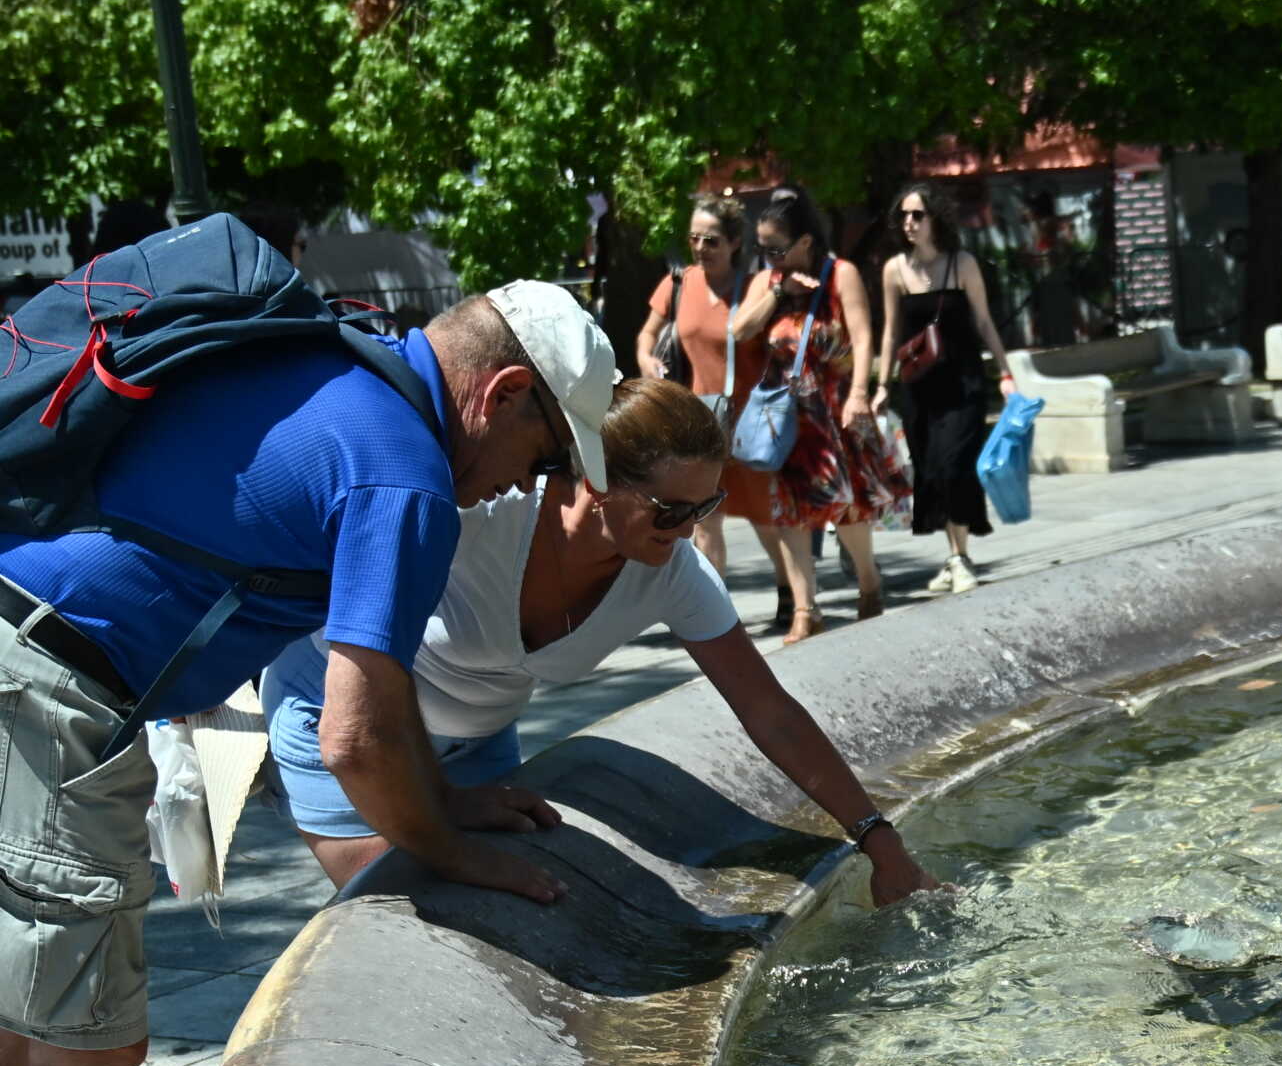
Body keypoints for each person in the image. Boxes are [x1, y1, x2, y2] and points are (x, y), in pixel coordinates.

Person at [0, 271, 609, 1066]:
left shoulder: (339, 368)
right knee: (87, 1045)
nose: (534, 486)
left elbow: (380, 718)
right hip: (53, 690)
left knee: (16, 1027)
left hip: (17, 630)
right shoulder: (406, 472)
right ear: (499, 394)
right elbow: (353, 735)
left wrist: (450, 795)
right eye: (545, 447)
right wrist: (450, 848)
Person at [260, 379, 937, 903]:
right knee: (399, 908)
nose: (687, 530)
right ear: (595, 480)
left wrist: (877, 838)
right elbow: (369, 685)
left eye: (706, 508)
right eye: (670, 510)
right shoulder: (480, 517)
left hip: (478, 736)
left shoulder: (671, 570)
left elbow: (770, 711)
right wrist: (434, 802)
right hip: (349, 720)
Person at [749, 188, 887, 641]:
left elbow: (864, 337)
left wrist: (861, 393)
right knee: (787, 514)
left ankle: (868, 584)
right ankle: (806, 610)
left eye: (776, 247)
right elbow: (739, 330)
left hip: (835, 409)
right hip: (788, 418)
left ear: (805, 242)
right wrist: (776, 292)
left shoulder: (839, 274)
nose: (769, 256)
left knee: (845, 507)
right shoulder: (769, 281)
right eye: (762, 248)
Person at [871, 183, 1014, 596]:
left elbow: (984, 321)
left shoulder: (962, 264)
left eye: (918, 215)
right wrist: (882, 385)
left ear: (936, 219)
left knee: (955, 465)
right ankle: (954, 556)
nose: (909, 223)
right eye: (903, 216)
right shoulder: (895, 269)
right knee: (932, 470)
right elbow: (891, 332)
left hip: (963, 381)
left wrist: (1006, 373)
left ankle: (960, 556)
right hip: (919, 388)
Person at [637, 196, 779, 595]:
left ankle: (790, 592)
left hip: (749, 420)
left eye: (712, 240)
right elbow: (647, 333)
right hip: (698, 418)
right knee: (704, 517)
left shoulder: (754, 287)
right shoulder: (679, 283)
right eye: (695, 239)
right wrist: (646, 360)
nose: (701, 248)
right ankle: (715, 604)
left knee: (764, 515)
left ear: (735, 243)